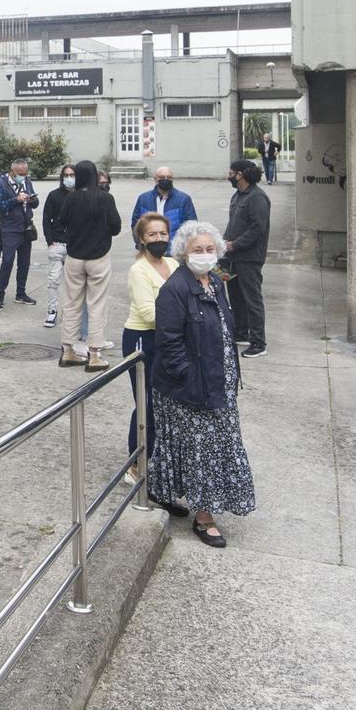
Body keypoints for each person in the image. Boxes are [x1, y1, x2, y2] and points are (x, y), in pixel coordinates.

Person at [150, 220, 256, 548]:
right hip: (188, 389)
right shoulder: (175, 289)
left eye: (210, 249)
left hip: (218, 382)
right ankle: (204, 516)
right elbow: (168, 342)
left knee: (214, 446)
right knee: (201, 450)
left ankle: (165, 492)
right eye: (198, 250)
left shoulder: (216, 283)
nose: (205, 255)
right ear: (183, 253)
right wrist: (188, 378)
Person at [57, 159, 122, 369]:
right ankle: (94, 354)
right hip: (98, 257)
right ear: (95, 176)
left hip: (75, 258)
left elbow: (61, 223)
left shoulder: (71, 198)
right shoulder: (105, 198)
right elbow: (116, 227)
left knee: (72, 303)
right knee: (96, 306)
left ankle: (68, 351)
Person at [123, 212, 173, 474]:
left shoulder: (174, 264)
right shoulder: (139, 270)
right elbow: (148, 313)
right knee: (146, 403)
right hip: (142, 339)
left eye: (163, 234)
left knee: (165, 403)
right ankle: (136, 463)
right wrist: (182, 322)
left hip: (168, 338)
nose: (159, 239)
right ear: (142, 239)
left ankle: (157, 456)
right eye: (152, 234)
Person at [222, 159, 270, 358]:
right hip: (232, 257)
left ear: (240, 175)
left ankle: (258, 343)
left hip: (249, 258)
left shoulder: (257, 198)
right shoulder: (238, 196)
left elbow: (257, 229)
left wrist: (235, 244)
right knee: (236, 298)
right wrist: (223, 243)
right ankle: (241, 333)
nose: (229, 175)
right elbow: (233, 223)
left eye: (231, 172)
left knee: (252, 300)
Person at [0, 157, 40, 309]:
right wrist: (16, 199)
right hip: (10, 228)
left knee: (24, 263)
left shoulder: (27, 181)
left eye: (25, 173)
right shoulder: (1, 183)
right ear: (12, 171)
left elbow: (36, 204)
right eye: (20, 173)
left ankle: (21, 293)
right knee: (7, 261)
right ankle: (0, 294)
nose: (23, 176)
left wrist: (31, 200)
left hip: (26, 227)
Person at [41, 163, 76, 330]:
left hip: (75, 246)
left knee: (73, 283)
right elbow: (46, 219)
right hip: (57, 244)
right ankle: (52, 310)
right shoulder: (54, 196)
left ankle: (70, 313)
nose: (69, 178)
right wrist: (49, 241)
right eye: (66, 175)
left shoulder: (80, 196)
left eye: (72, 175)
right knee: (53, 280)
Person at [130, 167, 197, 235]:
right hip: (150, 244)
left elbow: (192, 226)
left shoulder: (184, 199)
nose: (165, 179)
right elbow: (136, 224)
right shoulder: (143, 199)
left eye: (169, 177)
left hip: (174, 244)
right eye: (161, 177)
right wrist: (140, 244)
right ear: (155, 179)